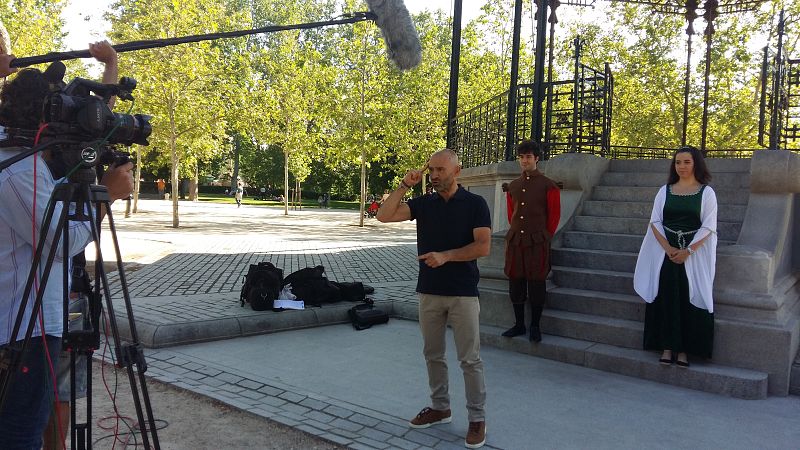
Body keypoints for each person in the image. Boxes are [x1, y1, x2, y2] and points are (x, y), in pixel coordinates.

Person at [0, 43, 134, 449]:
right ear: (45, 115)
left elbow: (95, 123)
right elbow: (60, 242)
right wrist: (105, 196)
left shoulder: (31, 157)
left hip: (29, 321)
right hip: (24, 327)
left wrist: (110, 65)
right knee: (23, 430)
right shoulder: (18, 169)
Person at [377, 149, 491, 449]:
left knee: (470, 359)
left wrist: (447, 256)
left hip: (463, 293)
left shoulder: (476, 204)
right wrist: (403, 186)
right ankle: (440, 408)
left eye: (441, 169)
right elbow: (383, 215)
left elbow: (483, 246)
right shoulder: (424, 203)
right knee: (433, 354)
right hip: (429, 291)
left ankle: (477, 419)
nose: (435, 175)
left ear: (458, 171)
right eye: (432, 169)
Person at [633, 145, 717, 368]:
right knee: (667, 299)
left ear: (696, 164)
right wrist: (668, 249)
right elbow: (655, 221)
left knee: (687, 299)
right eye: (678, 162)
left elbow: (709, 227)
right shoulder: (665, 191)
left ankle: (684, 351)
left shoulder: (706, 193)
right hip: (667, 256)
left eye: (687, 162)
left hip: (692, 256)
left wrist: (688, 251)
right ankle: (667, 347)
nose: (681, 166)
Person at [501, 140, 560, 342]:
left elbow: (554, 217)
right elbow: (511, 215)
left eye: (528, 157)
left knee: (536, 283)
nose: (524, 160)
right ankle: (519, 325)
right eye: (521, 157)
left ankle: (535, 326)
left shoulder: (548, 185)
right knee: (515, 282)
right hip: (516, 241)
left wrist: (543, 237)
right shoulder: (514, 186)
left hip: (538, 242)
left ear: (536, 158)